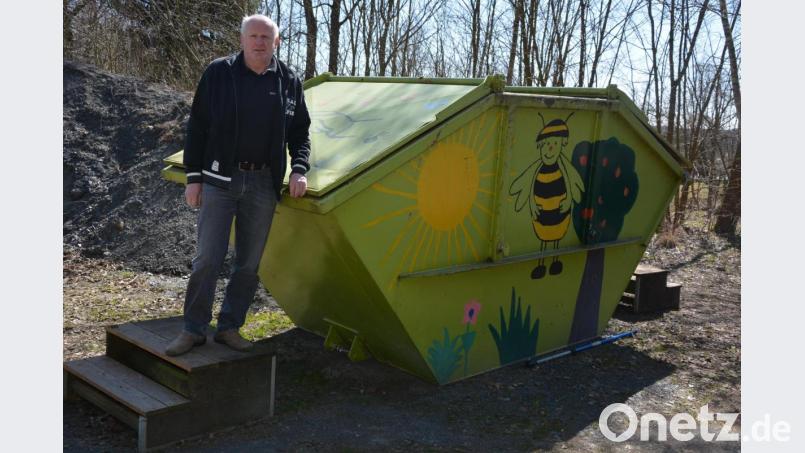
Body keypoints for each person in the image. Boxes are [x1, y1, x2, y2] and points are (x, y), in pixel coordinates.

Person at [166, 14, 311, 356]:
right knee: (207, 258)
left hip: (263, 182)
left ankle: (230, 328)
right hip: (219, 178)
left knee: (248, 263)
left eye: (266, 37)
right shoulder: (219, 72)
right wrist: (194, 177)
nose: (259, 42)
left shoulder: (289, 80)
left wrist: (299, 169)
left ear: (276, 42)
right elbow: (198, 126)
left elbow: (300, 132)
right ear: (242, 39)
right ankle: (193, 329)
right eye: (254, 36)